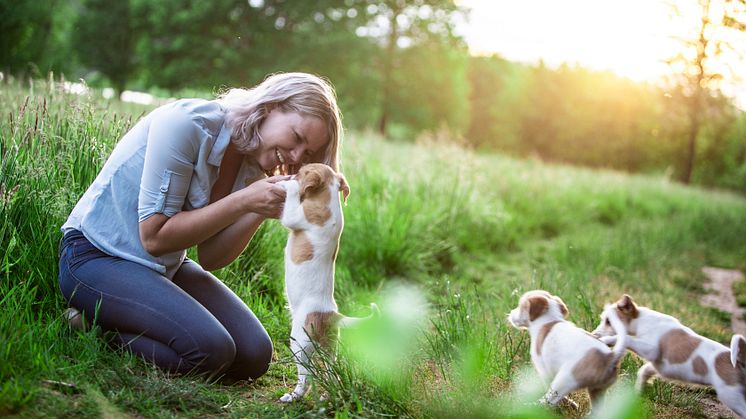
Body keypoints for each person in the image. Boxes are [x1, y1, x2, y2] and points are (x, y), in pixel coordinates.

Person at [58, 72, 343, 381]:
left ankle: (138, 322)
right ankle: (96, 327)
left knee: (254, 354)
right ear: (271, 107)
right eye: (297, 138)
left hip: (163, 268)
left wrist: (260, 209)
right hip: (96, 257)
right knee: (211, 350)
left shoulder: (252, 162)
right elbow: (154, 237)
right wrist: (245, 200)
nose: (297, 156)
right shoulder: (186, 124)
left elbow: (211, 257)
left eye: (309, 153)